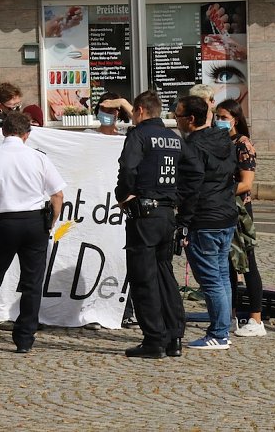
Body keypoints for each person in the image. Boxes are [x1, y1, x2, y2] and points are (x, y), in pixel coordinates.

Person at [0, 112, 65, 354]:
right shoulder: (38, 157)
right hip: (34, 222)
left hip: (4, 222)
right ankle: (24, 339)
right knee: (32, 283)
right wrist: (50, 223)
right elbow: (58, 195)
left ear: (3, 131)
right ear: (27, 134)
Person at [115, 90, 189, 359]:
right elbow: (193, 171)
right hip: (167, 215)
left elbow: (128, 168)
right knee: (165, 274)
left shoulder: (139, 135)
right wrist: (179, 200)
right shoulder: (175, 138)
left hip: (144, 215)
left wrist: (123, 195)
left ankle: (154, 340)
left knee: (143, 277)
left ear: (139, 111)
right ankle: (174, 336)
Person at [175, 95, 238, 350]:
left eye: (178, 116)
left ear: (190, 119)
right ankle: (223, 328)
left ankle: (219, 333)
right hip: (226, 215)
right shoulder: (223, 139)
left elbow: (191, 188)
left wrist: (183, 223)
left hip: (205, 219)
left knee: (211, 280)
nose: (176, 120)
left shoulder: (192, 146)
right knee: (221, 276)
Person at [215, 99, 266, 338]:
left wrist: (219, 191)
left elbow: (246, 183)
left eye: (224, 117)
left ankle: (256, 318)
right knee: (226, 265)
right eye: (217, 117)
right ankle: (230, 314)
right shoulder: (220, 141)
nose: (219, 121)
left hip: (240, 210)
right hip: (223, 208)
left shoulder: (243, 144)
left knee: (247, 262)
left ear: (235, 119)